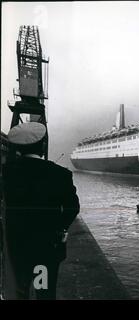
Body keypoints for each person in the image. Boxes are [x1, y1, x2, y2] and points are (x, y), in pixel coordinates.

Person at [2, 122, 80, 300]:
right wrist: (60, 228)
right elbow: (72, 208)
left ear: (16, 147)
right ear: (43, 145)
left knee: (18, 292)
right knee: (44, 292)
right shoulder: (60, 174)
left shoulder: (6, 173)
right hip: (46, 249)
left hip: (14, 248)